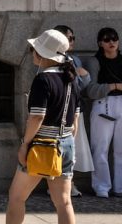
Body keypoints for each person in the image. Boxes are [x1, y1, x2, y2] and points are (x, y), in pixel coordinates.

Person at [6, 29, 78, 224]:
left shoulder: (42, 79)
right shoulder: (71, 79)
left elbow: (37, 117)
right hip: (66, 142)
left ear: (42, 53)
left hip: (41, 145)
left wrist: (24, 144)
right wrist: (69, 143)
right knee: (64, 202)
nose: (32, 53)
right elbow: (75, 119)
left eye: (34, 49)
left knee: (16, 197)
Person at [83, 27, 122, 198]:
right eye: (107, 39)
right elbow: (90, 90)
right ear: (100, 43)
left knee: (121, 149)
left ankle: (120, 188)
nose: (111, 42)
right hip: (102, 105)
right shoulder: (94, 62)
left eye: (114, 38)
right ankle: (102, 187)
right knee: (100, 148)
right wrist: (114, 86)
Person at [53, 25, 92, 197]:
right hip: (59, 109)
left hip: (75, 108)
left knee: (73, 148)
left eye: (73, 38)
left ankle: (69, 183)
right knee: (58, 147)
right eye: (69, 38)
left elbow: (81, 85)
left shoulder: (74, 59)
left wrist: (84, 75)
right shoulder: (52, 58)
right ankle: (56, 183)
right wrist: (81, 75)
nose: (72, 41)